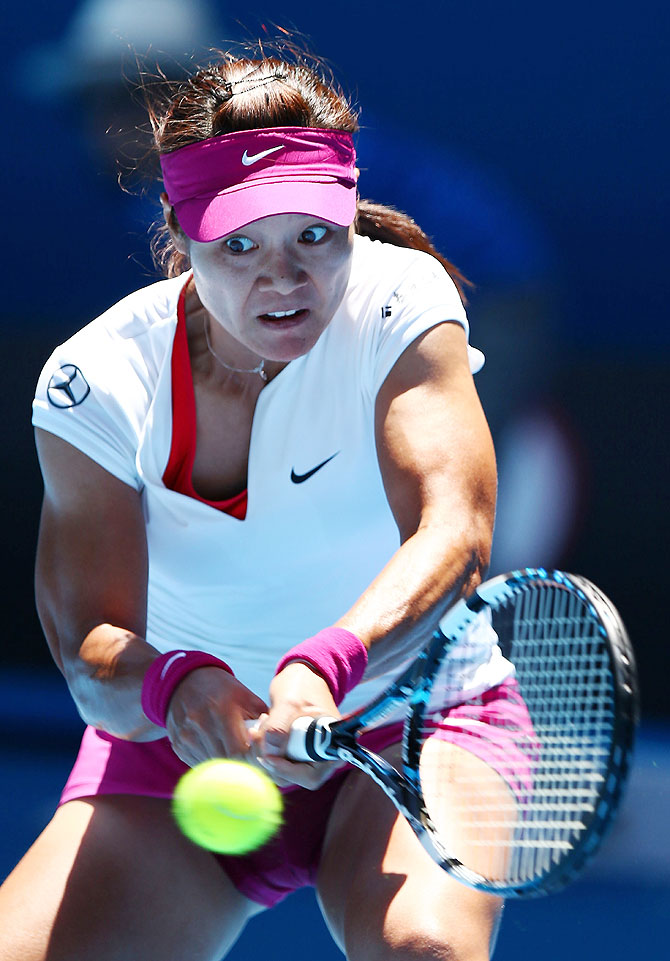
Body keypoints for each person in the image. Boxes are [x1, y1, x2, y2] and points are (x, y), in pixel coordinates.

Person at [0, 45, 526, 961]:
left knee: (425, 955)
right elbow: (91, 649)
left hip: (415, 720)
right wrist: (178, 682)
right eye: (238, 244)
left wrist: (327, 663)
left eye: (313, 236)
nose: (282, 277)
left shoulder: (403, 304)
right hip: (180, 749)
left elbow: (456, 530)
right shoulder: (96, 383)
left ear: (351, 219)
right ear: (179, 229)